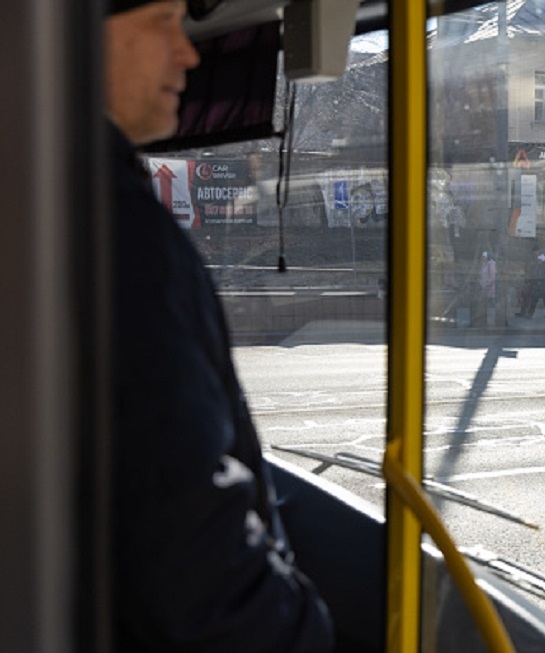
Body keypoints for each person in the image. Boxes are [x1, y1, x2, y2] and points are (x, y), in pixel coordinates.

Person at [105, 1, 335, 649]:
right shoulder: (116, 230)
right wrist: (298, 633)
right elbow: (186, 548)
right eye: (161, 21)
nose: (188, 52)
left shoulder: (50, 195)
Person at [520, 247, 545, 320]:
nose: (538, 261)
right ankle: (530, 314)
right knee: (534, 300)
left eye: (539, 260)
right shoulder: (538, 267)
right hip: (538, 286)